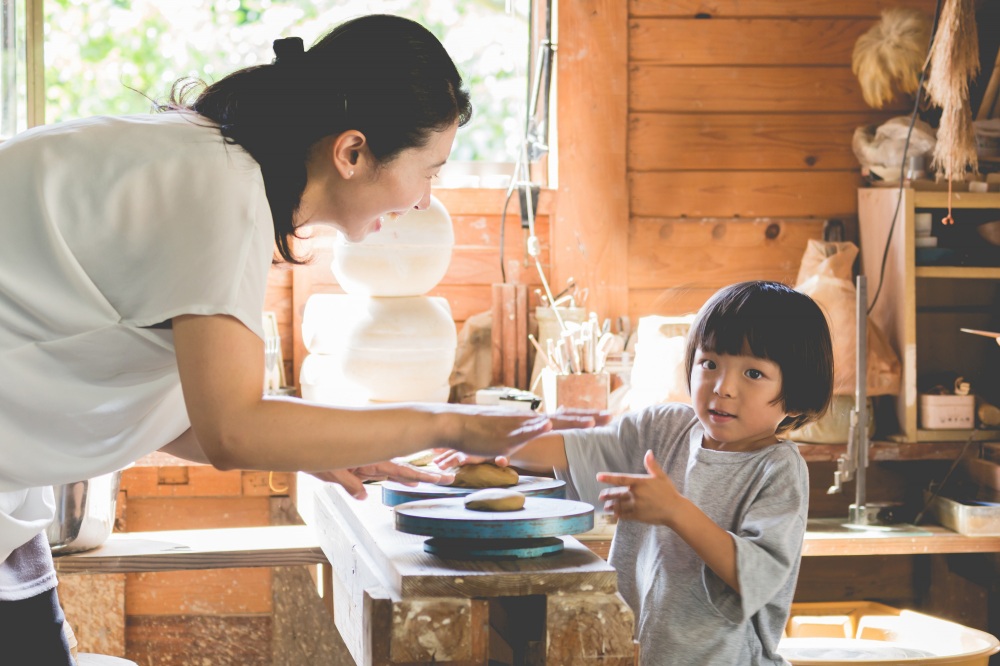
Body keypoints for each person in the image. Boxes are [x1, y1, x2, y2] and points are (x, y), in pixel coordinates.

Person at [0, 14, 603, 664]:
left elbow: (188, 422)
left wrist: (312, 446)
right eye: (429, 171)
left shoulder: (217, 172)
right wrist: (446, 424)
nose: (427, 200)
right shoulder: (217, 189)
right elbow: (233, 429)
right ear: (351, 153)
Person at [438, 280, 835, 665]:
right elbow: (579, 448)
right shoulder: (663, 428)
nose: (723, 387)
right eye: (710, 363)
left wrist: (675, 511)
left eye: (753, 373)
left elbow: (758, 574)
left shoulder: (778, 469)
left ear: (796, 393)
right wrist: (489, 447)